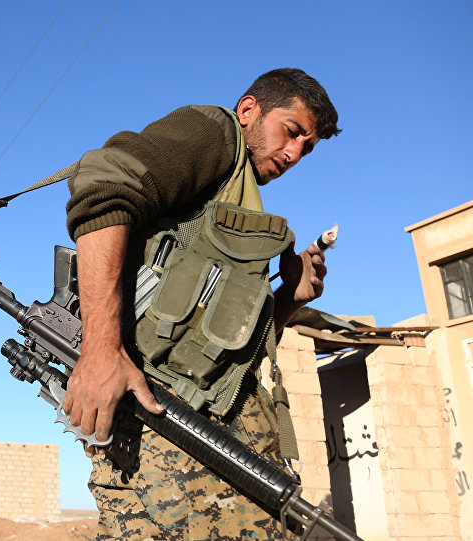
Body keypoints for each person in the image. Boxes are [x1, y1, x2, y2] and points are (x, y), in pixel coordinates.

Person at [61, 68, 340, 539]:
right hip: (171, 422)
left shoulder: (234, 196)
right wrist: (101, 350)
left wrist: (289, 299)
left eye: (306, 149)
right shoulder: (218, 133)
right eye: (291, 132)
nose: (293, 154)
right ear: (249, 110)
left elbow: (223, 353)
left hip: (201, 431)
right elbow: (106, 180)